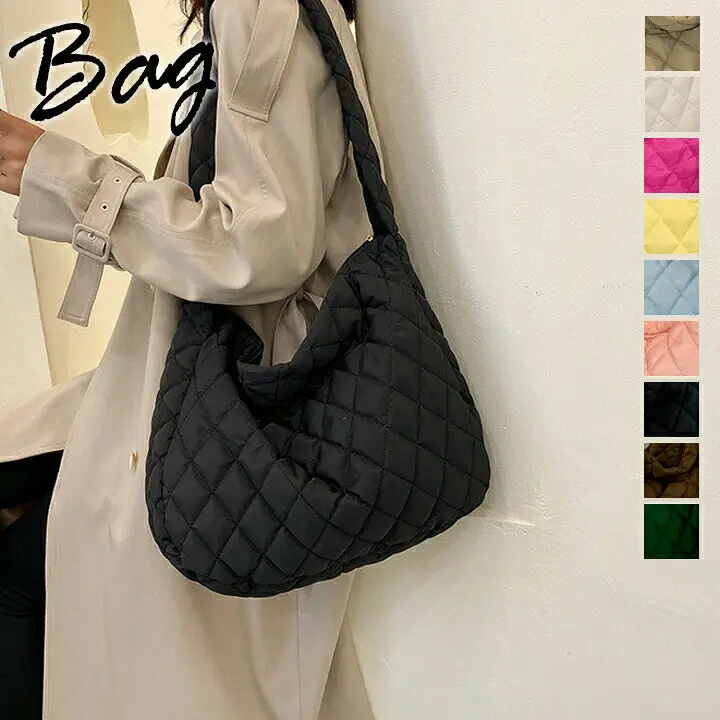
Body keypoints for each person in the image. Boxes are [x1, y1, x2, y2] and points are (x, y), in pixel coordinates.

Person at [0, 0, 381, 717]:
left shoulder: (258, 8)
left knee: (31, 576)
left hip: (232, 400)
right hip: (195, 381)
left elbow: (259, 245)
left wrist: (58, 174)